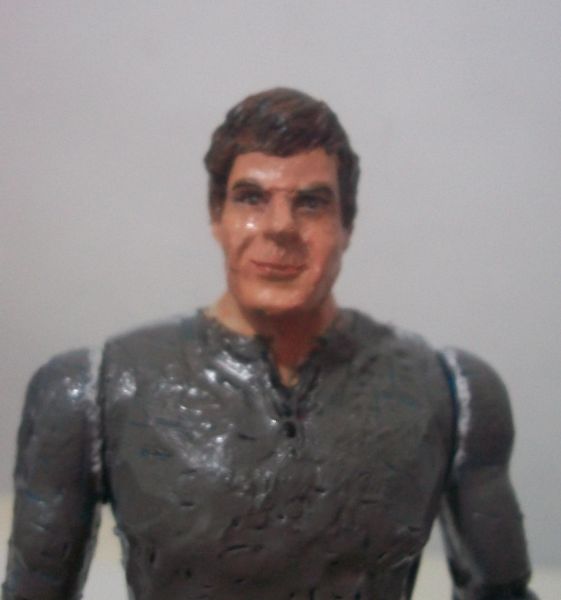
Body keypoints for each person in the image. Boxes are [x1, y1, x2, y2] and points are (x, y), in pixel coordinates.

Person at [3, 88, 537, 600]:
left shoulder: (449, 392)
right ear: (217, 216)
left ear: (346, 225)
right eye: (252, 198)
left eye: (311, 203)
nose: (280, 227)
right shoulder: (94, 393)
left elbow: (500, 592)